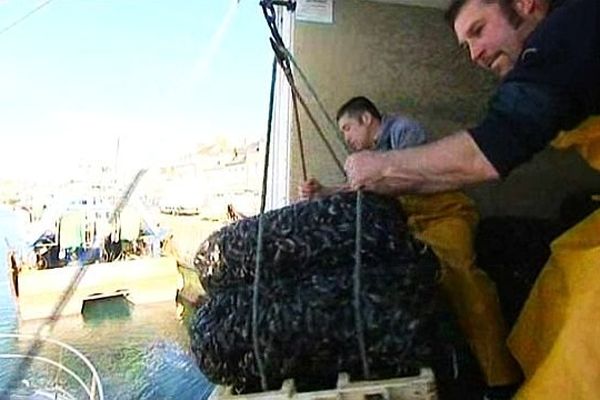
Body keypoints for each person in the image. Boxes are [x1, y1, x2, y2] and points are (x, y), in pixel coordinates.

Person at [343, 0, 600, 398]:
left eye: (478, 30)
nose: (475, 55)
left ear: (526, 3)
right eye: (466, 46)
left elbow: (488, 152)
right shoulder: (560, 57)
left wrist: (382, 169)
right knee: (560, 283)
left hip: (450, 216)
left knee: (583, 342)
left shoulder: (570, 28)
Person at [300, 96, 522, 391]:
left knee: (461, 280)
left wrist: (351, 184)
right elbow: (367, 188)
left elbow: (402, 178)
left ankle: (501, 380)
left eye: (347, 128)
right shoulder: (373, 157)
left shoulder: (404, 130)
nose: (346, 138)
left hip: (445, 215)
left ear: (366, 119)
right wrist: (325, 193)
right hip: (413, 226)